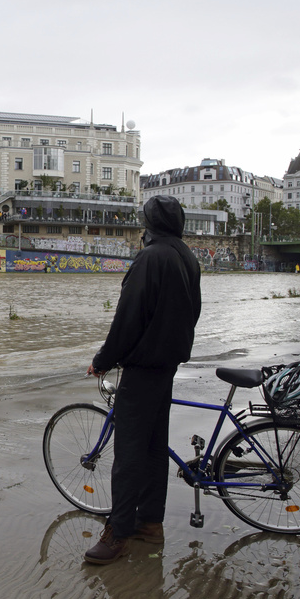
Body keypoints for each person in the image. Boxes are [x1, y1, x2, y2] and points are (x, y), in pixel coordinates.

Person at [83, 195, 202, 565]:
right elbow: (193, 311)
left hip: (143, 367)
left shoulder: (150, 258)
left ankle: (117, 533)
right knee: (153, 449)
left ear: (148, 225)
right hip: (167, 365)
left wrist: (104, 359)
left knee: (129, 454)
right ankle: (150, 524)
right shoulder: (186, 256)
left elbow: (128, 318)